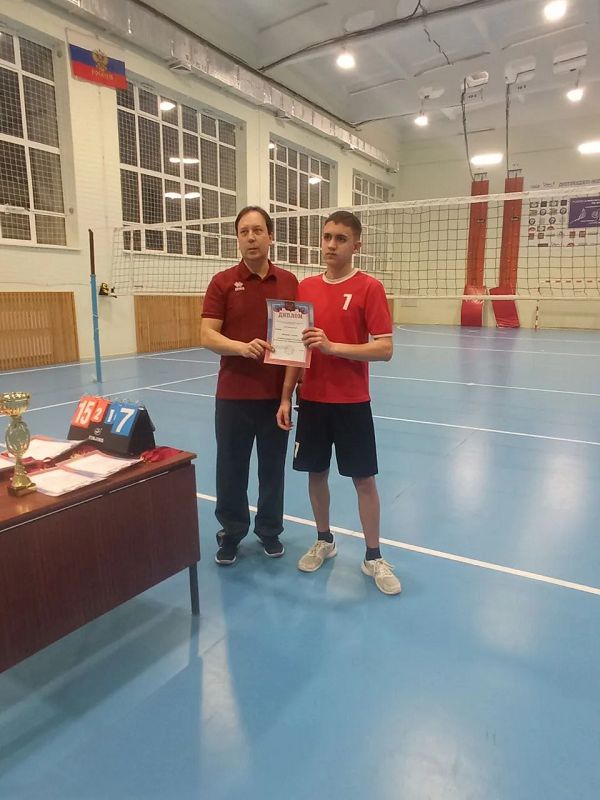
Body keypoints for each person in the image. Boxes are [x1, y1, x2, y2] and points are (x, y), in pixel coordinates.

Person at [276, 210, 401, 595]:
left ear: (356, 245)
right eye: (327, 236)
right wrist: (285, 396)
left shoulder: (369, 287)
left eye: (341, 239)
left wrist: (333, 347)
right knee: (316, 474)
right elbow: (296, 350)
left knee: (364, 479)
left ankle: (373, 556)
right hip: (312, 401)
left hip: (352, 402)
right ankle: (324, 540)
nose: (331, 245)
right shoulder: (306, 288)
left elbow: (385, 349)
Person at [202, 206, 298, 565]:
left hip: (274, 398)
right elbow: (207, 335)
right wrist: (241, 348)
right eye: (244, 232)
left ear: (270, 236)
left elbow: (295, 348)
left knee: (272, 469)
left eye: (258, 230)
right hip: (233, 396)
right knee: (231, 469)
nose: (251, 237)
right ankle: (231, 533)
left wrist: (287, 396)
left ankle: (269, 531)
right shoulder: (223, 282)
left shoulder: (289, 282)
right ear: (238, 239)